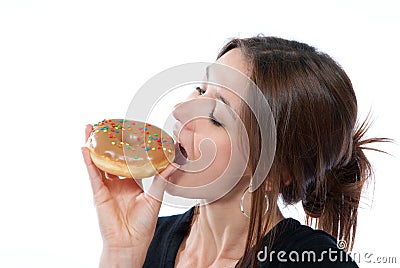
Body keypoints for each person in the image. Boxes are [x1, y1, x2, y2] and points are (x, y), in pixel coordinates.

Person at [81, 36, 390, 267]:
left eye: (217, 117)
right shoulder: (149, 240)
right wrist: (122, 255)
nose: (179, 111)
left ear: (271, 172)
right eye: (201, 89)